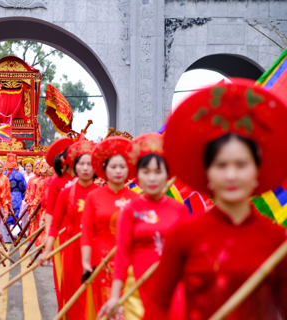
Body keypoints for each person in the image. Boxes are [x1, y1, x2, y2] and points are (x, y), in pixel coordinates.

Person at [144, 80, 287, 320]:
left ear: (257, 172)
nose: (231, 175)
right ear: (206, 172)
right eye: (221, 165)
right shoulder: (184, 235)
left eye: (241, 165)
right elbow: (158, 306)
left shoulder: (276, 240)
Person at [97, 133, 190, 320]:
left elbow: (189, 256)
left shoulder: (180, 210)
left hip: (174, 288)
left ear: (167, 174)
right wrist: (115, 297)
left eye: (158, 172)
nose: (152, 178)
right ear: (137, 175)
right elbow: (122, 255)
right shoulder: (130, 211)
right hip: (137, 290)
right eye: (146, 172)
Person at [81, 136, 140, 319]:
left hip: (130, 262)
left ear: (128, 170)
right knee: (103, 306)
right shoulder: (94, 197)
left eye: (122, 167)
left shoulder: (136, 199)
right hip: (101, 259)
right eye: (113, 167)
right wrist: (85, 261)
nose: (118, 171)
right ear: (105, 169)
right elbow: (87, 231)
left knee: (126, 308)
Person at [41, 137, 98, 319]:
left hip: (97, 249)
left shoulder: (101, 192)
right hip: (70, 245)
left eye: (90, 163)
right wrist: (47, 246)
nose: (85, 168)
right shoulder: (65, 190)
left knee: (95, 295)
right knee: (71, 290)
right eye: (82, 163)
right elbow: (54, 218)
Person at [43, 137, 74, 311]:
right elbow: (50, 211)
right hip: (61, 234)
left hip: (83, 236)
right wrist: (48, 237)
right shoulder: (57, 182)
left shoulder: (87, 182)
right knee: (64, 276)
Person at [5, 153, 27, 235]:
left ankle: (8, 235)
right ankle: (15, 233)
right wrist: (22, 197)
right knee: (17, 215)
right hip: (17, 197)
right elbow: (25, 188)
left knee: (6, 214)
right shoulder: (20, 175)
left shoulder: (4, 175)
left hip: (6, 197)